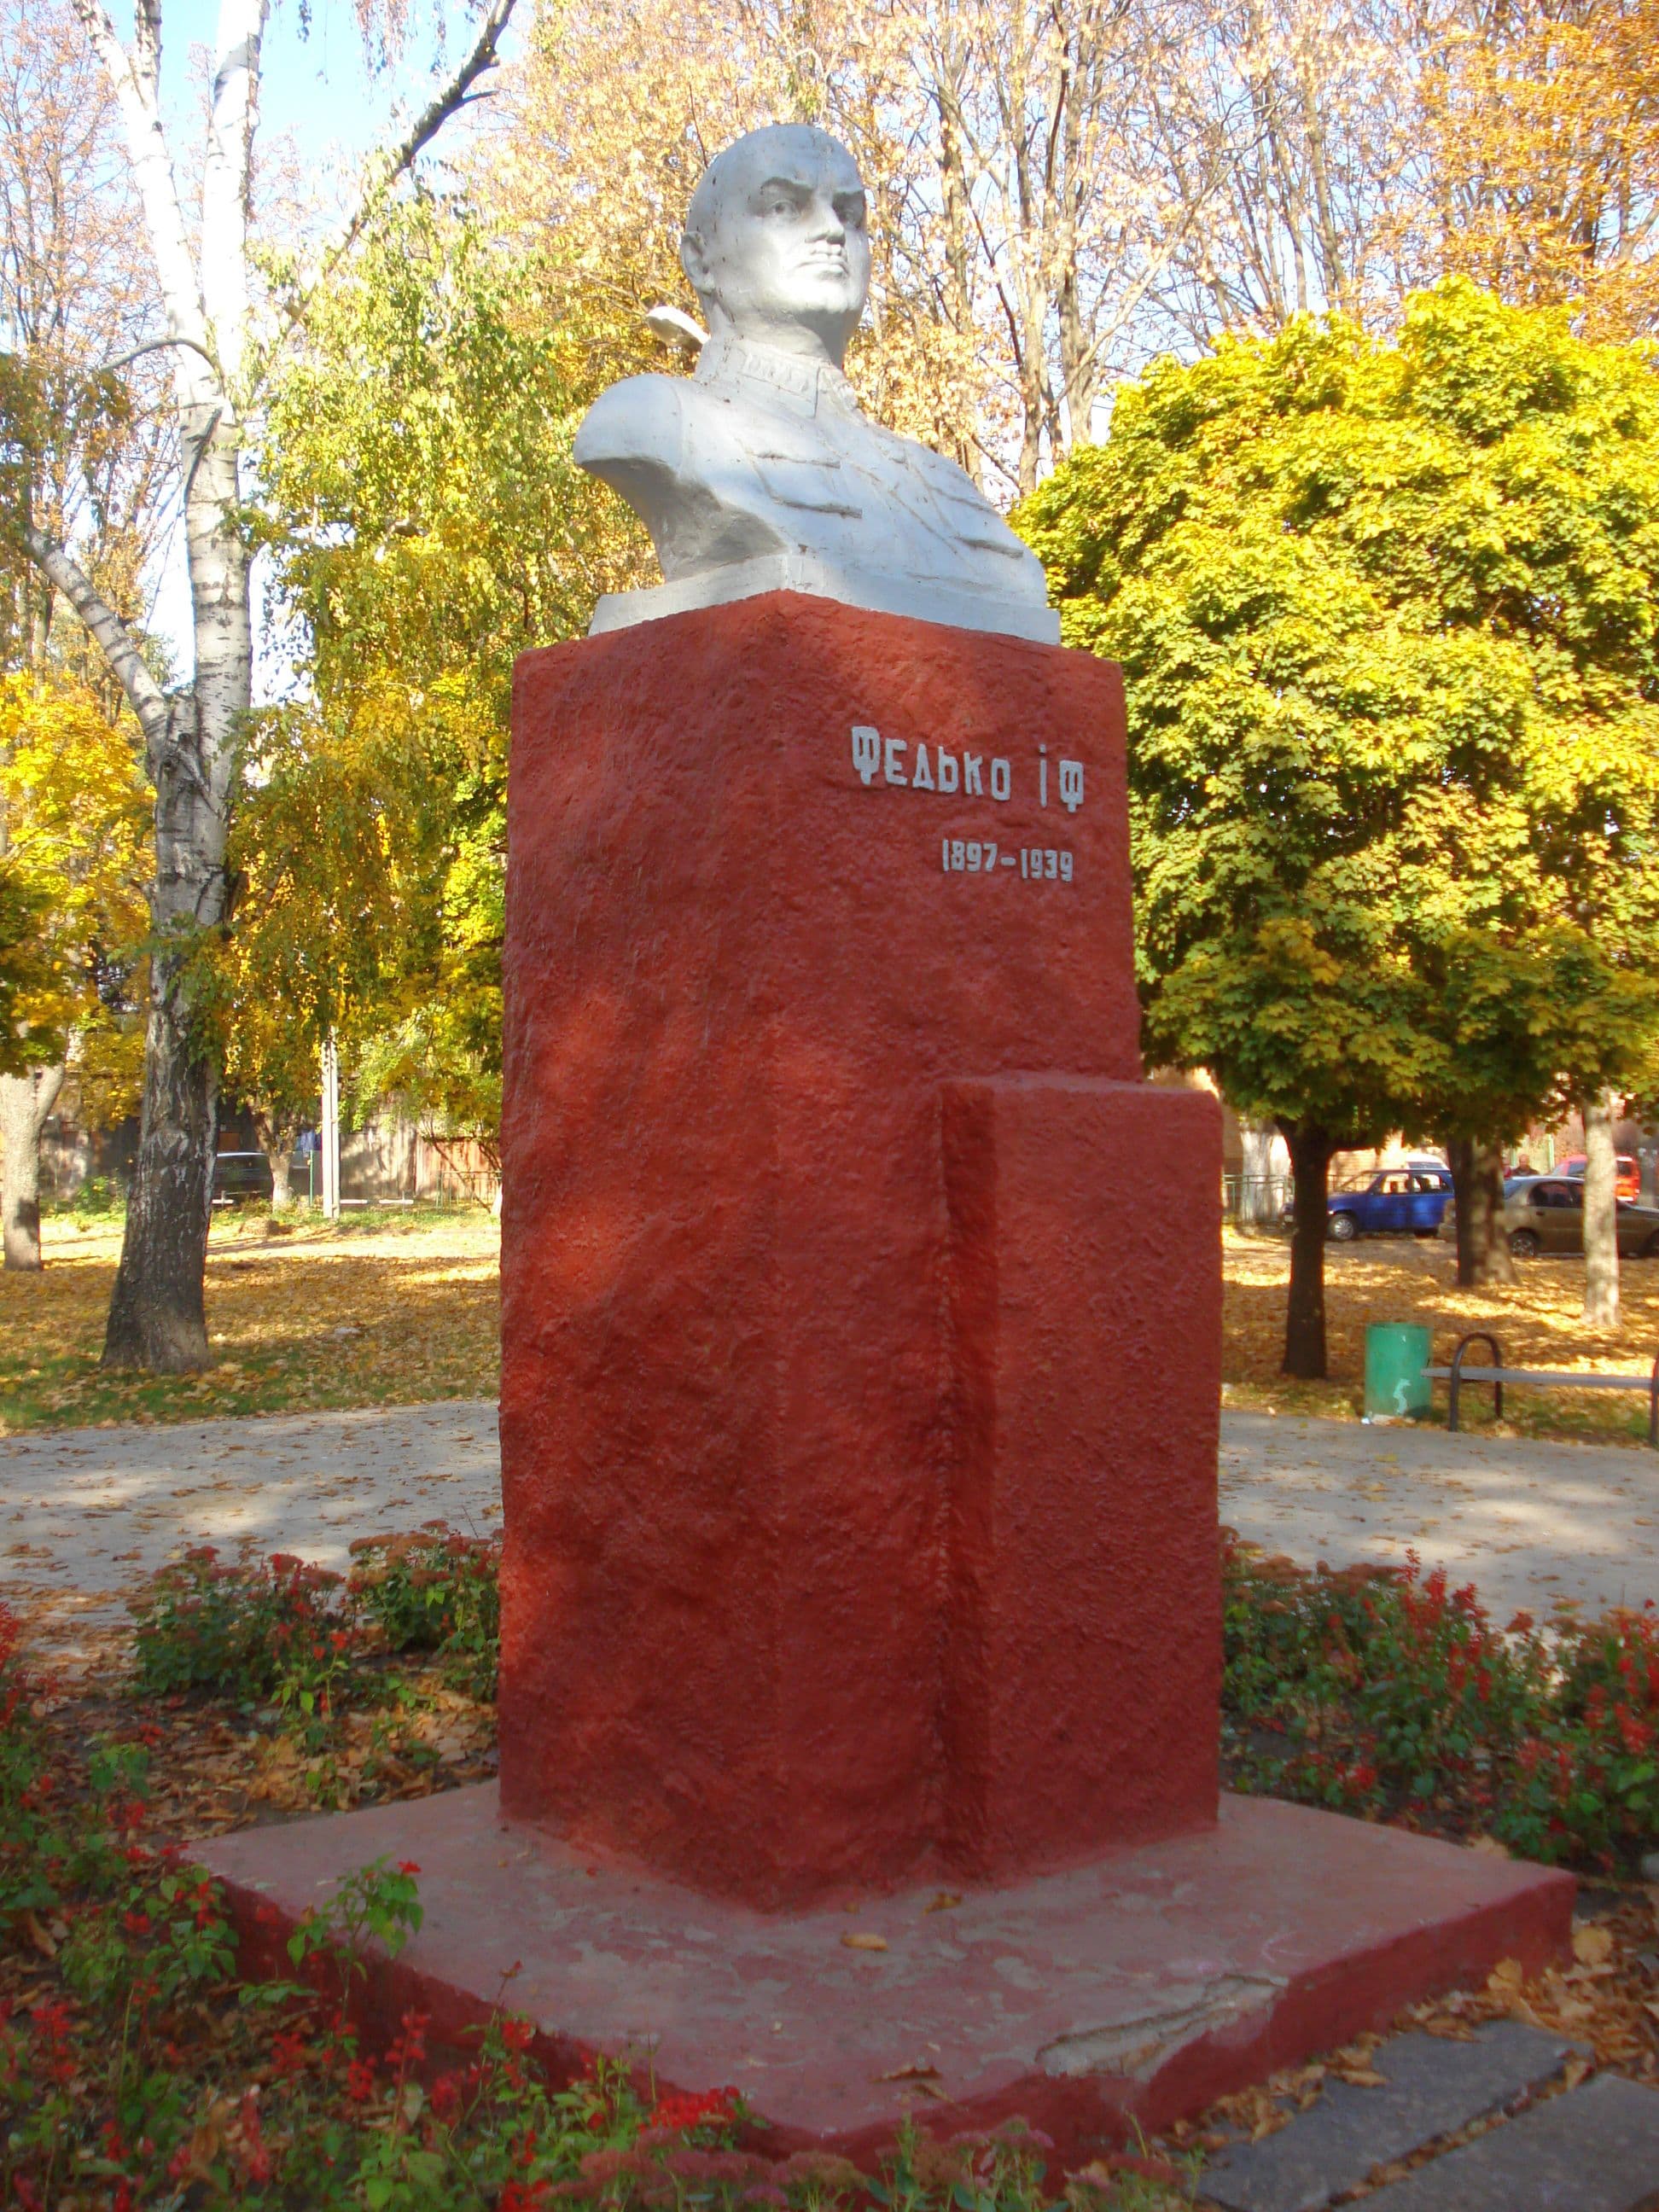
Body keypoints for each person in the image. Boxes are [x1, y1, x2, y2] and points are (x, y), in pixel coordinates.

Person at [573, 124, 1054, 637]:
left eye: (850, 214)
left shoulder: (941, 481)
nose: (831, 229)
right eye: (783, 207)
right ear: (701, 261)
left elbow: (1021, 586)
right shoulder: (655, 421)